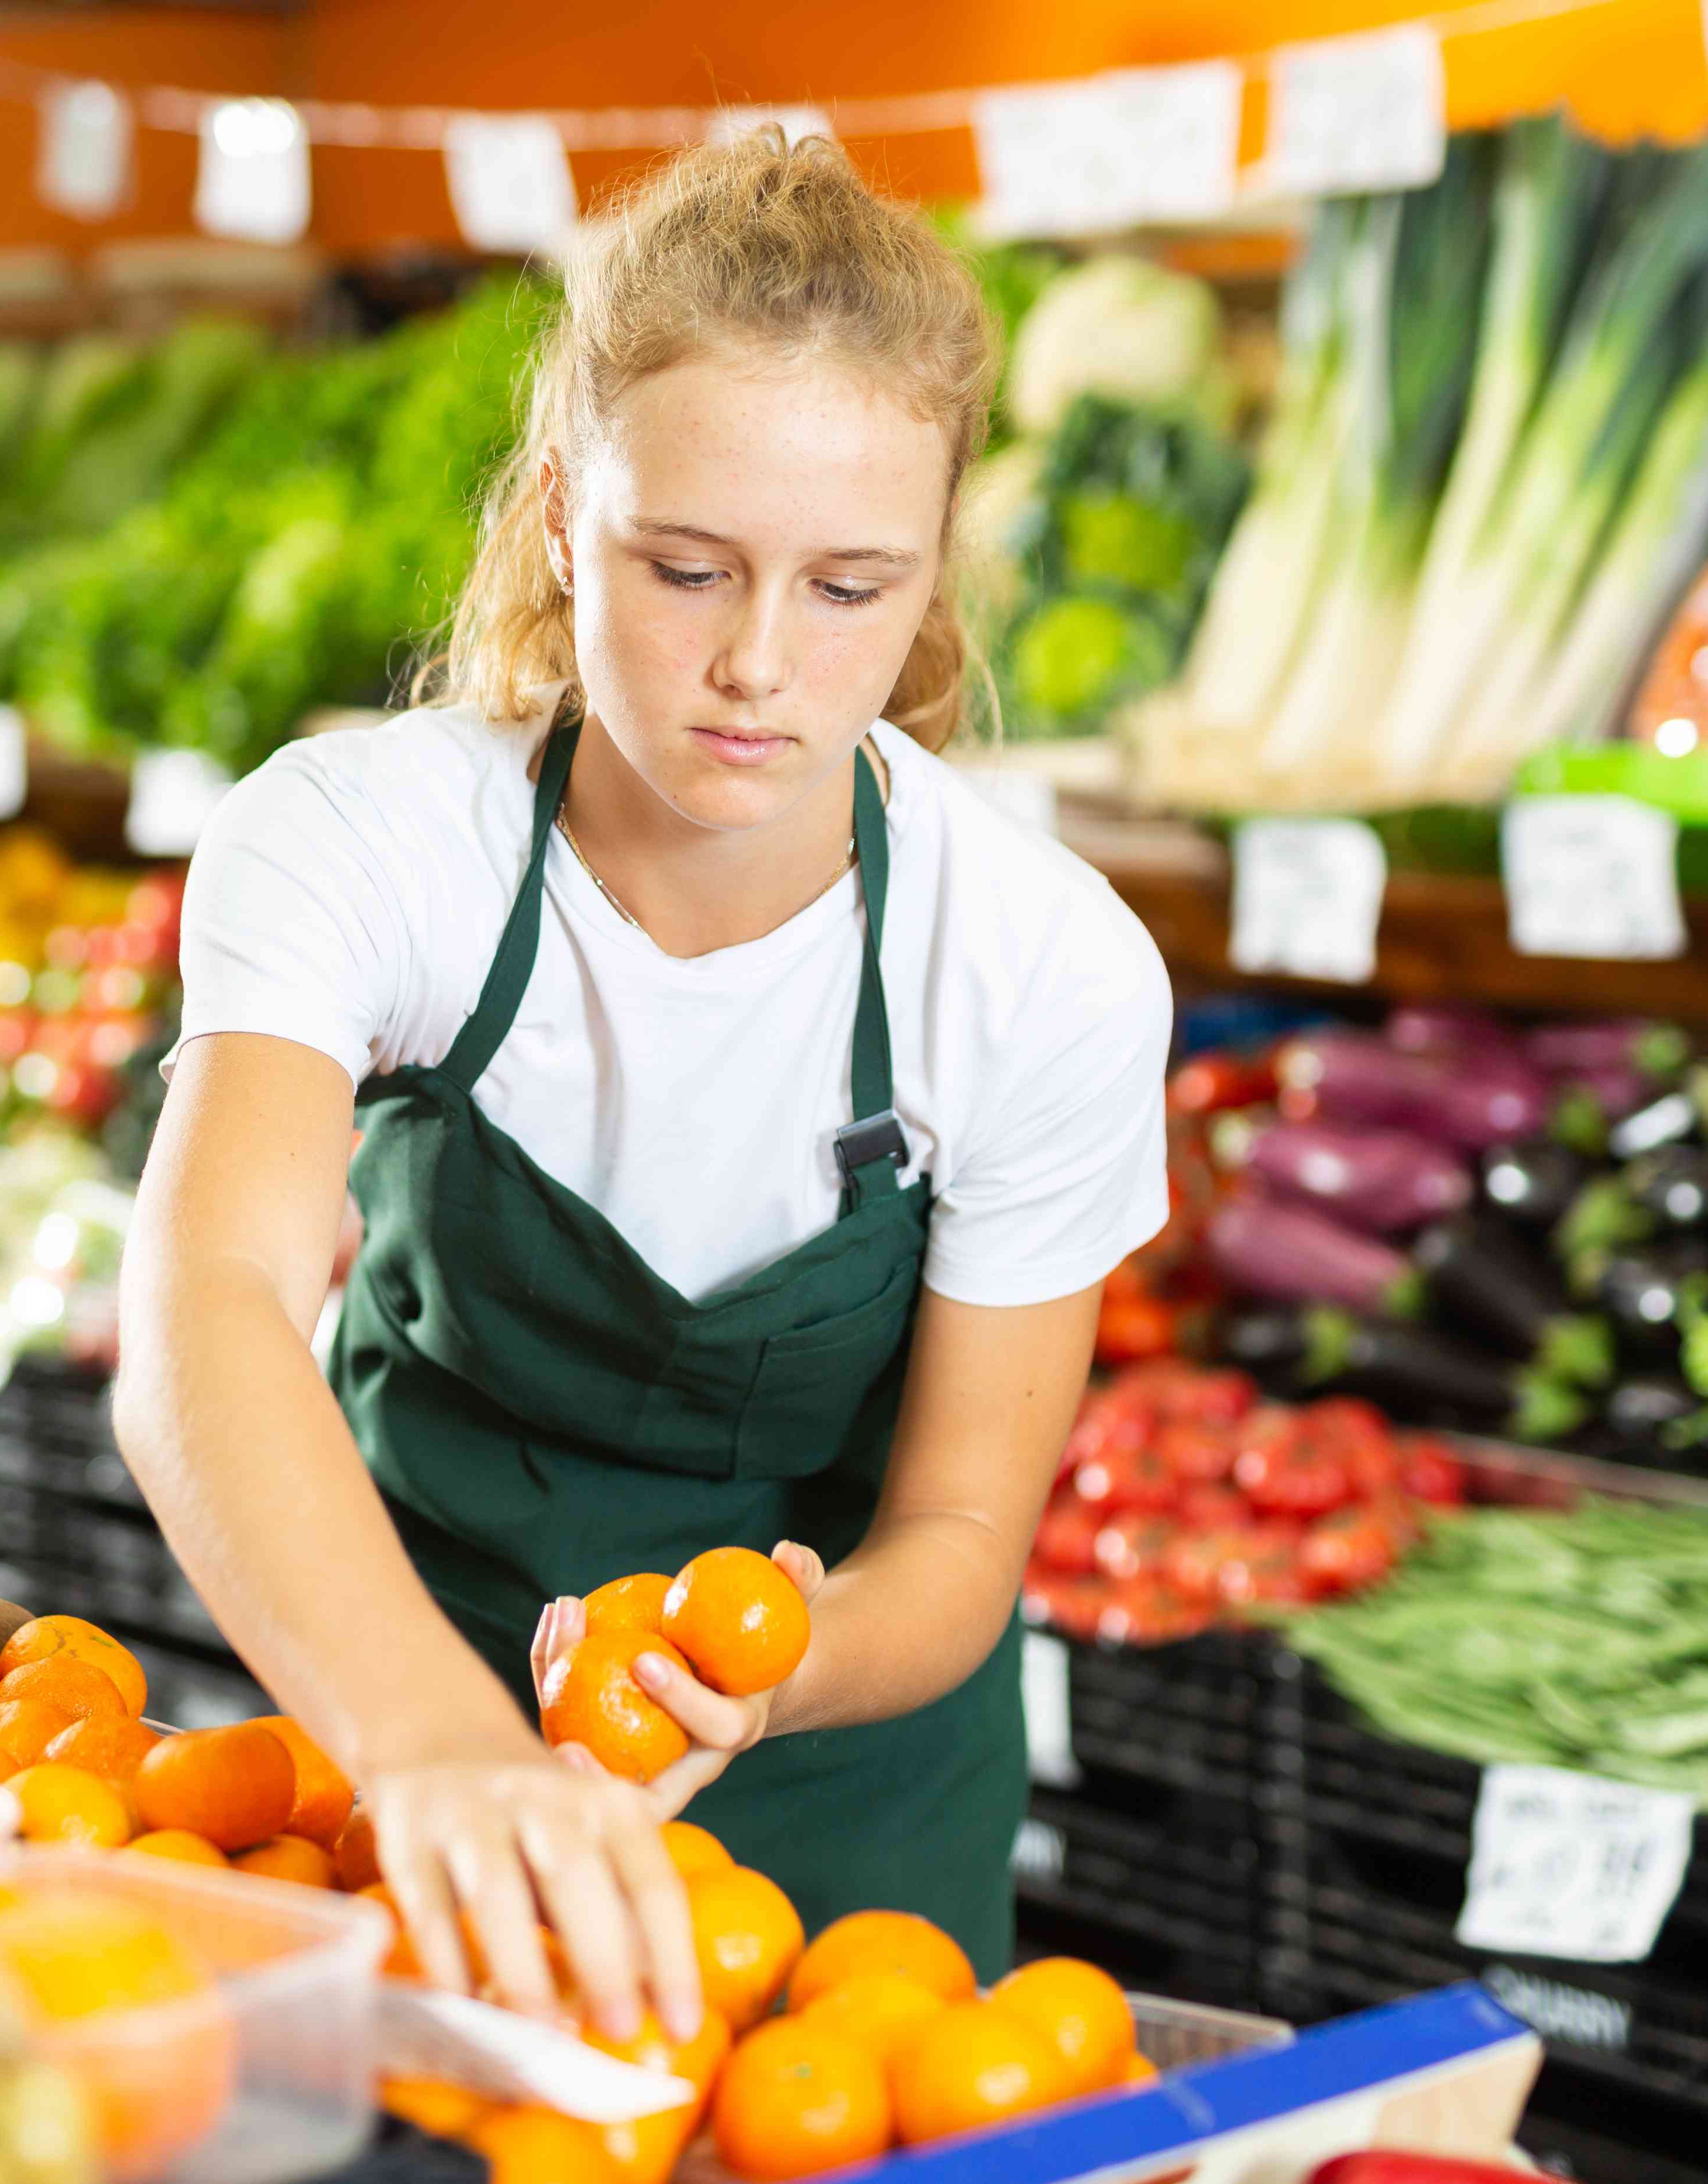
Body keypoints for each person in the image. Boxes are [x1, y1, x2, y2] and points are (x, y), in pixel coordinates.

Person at [118, 129, 1171, 2045]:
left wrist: (763, 1673)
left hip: (848, 1825)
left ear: (937, 571)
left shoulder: (1033, 964)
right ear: (553, 518)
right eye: (684, 567)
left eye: (852, 587)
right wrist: (440, 1742)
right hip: (402, 1725)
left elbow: (952, 1543)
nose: (757, 664)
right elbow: (205, 1312)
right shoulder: (362, 841)